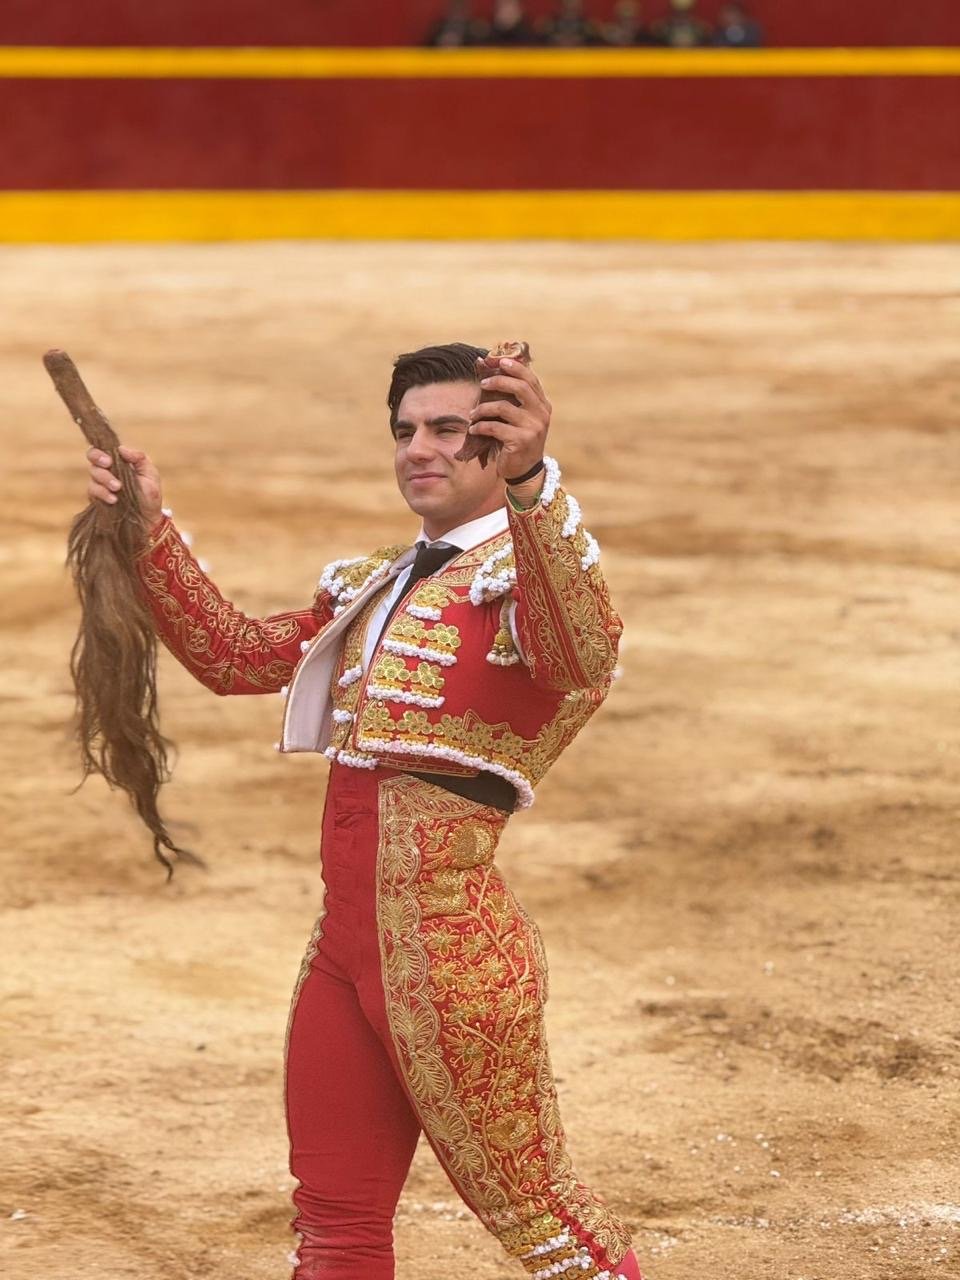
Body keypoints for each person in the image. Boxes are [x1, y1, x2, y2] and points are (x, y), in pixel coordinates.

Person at [84, 343, 643, 1280]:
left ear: (502, 442)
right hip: (345, 951)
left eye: (449, 429)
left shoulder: (530, 578)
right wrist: (149, 530)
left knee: (540, 1218)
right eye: (405, 430)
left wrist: (534, 486)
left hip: (451, 954)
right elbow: (236, 657)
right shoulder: (376, 582)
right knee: (335, 1222)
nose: (419, 448)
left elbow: (582, 653)